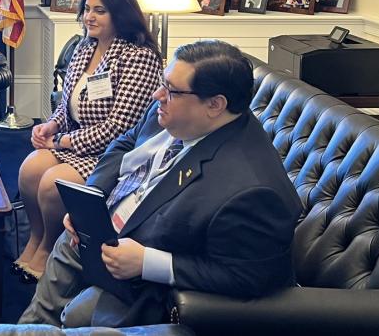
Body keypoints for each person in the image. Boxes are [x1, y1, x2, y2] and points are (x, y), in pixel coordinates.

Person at [19, 40, 303, 328]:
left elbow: (248, 277)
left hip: (155, 283)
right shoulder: (177, 113)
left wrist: (148, 262)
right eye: (162, 83)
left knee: (79, 311)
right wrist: (92, 199)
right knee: (66, 250)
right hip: (115, 232)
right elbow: (125, 144)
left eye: (171, 90)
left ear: (215, 104)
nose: (158, 94)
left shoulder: (253, 190)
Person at [15, 0, 161, 281]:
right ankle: (35, 239)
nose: (89, 17)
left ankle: (48, 251)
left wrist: (63, 142)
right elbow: (67, 100)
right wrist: (51, 124)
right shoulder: (84, 47)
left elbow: (121, 126)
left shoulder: (139, 56)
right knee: (29, 170)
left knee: (52, 183)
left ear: (120, 14)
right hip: (74, 141)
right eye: (86, 9)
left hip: (110, 153)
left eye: (100, 11)